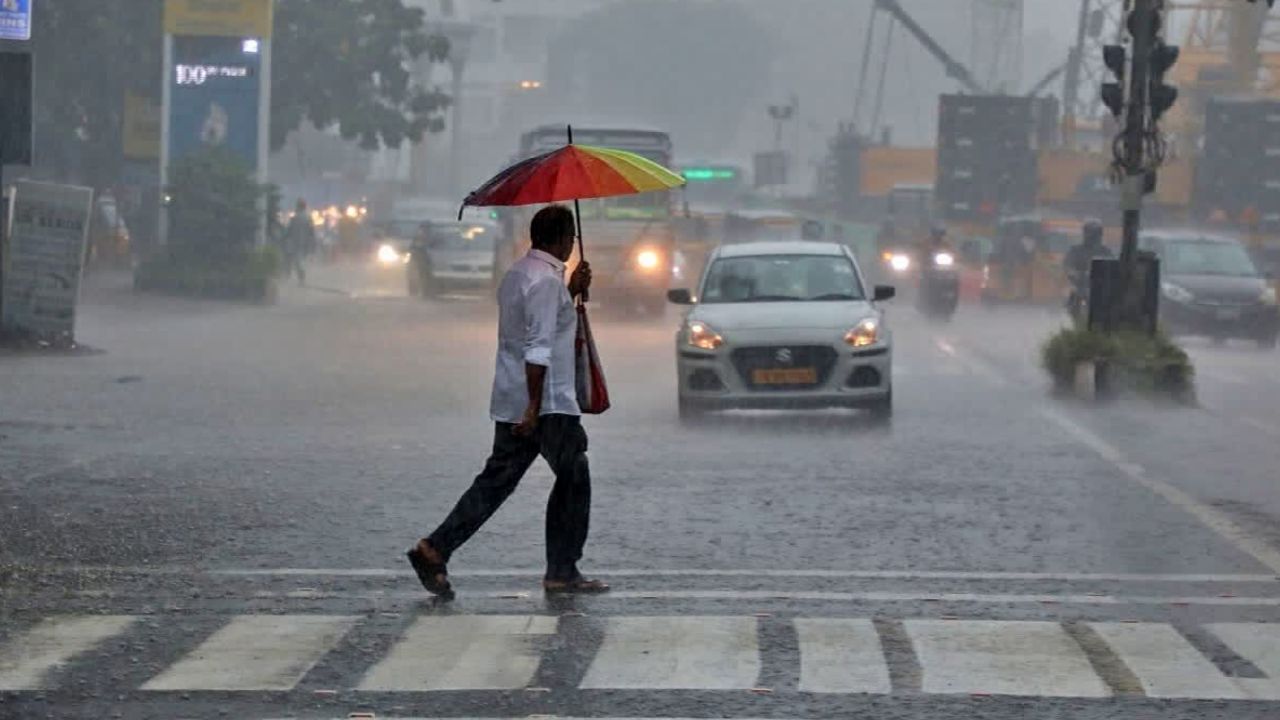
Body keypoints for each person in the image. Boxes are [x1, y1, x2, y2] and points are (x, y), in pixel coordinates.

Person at [406, 205, 606, 597]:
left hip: (515, 396)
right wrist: (533, 409)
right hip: (546, 403)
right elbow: (539, 347)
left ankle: (435, 548)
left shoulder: (520, 274)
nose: (572, 246)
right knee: (574, 476)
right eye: (571, 239)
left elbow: (537, 325)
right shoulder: (546, 282)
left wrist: (571, 293)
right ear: (564, 238)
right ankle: (562, 570)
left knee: (497, 482)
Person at [1064, 219, 1113, 315]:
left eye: (1096, 233)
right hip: (1080, 285)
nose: (1092, 236)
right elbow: (1068, 265)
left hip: (1099, 287)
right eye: (1090, 233)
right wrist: (1074, 273)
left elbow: (1112, 267)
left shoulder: (1105, 251)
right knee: (1073, 300)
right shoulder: (1076, 250)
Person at [282, 200, 316, 286]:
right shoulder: (308, 218)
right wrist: (312, 244)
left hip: (295, 243)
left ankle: (296, 278)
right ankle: (300, 279)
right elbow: (311, 232)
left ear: (298, 207)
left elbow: (288, 230)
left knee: (294, 261)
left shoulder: (295, 218)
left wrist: (283, 237)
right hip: (304, 244)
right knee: (299, 261)